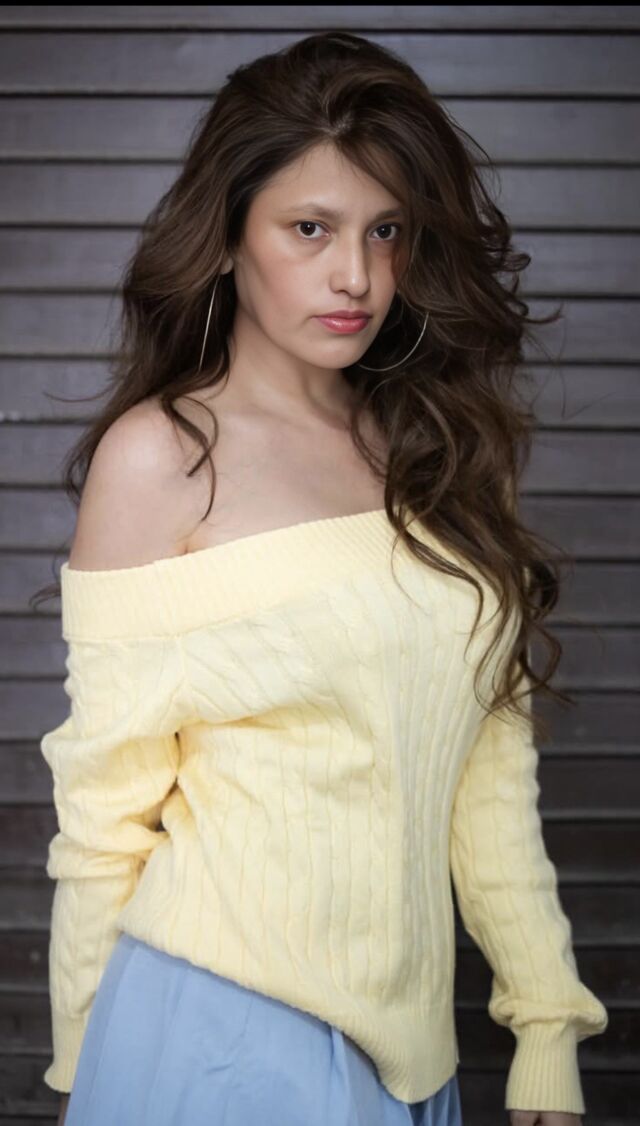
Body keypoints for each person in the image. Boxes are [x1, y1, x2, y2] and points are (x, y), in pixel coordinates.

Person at [35, 30, 609, 1126]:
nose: (356, 276)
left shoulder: (436, 449)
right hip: (213, 1036)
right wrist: (85, 1066)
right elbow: (103, 808)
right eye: (310, 228)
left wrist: (546, 1022)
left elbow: (486, 769)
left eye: (385, 230)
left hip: (414, 1059)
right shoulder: (161, 459)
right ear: (226, 238)